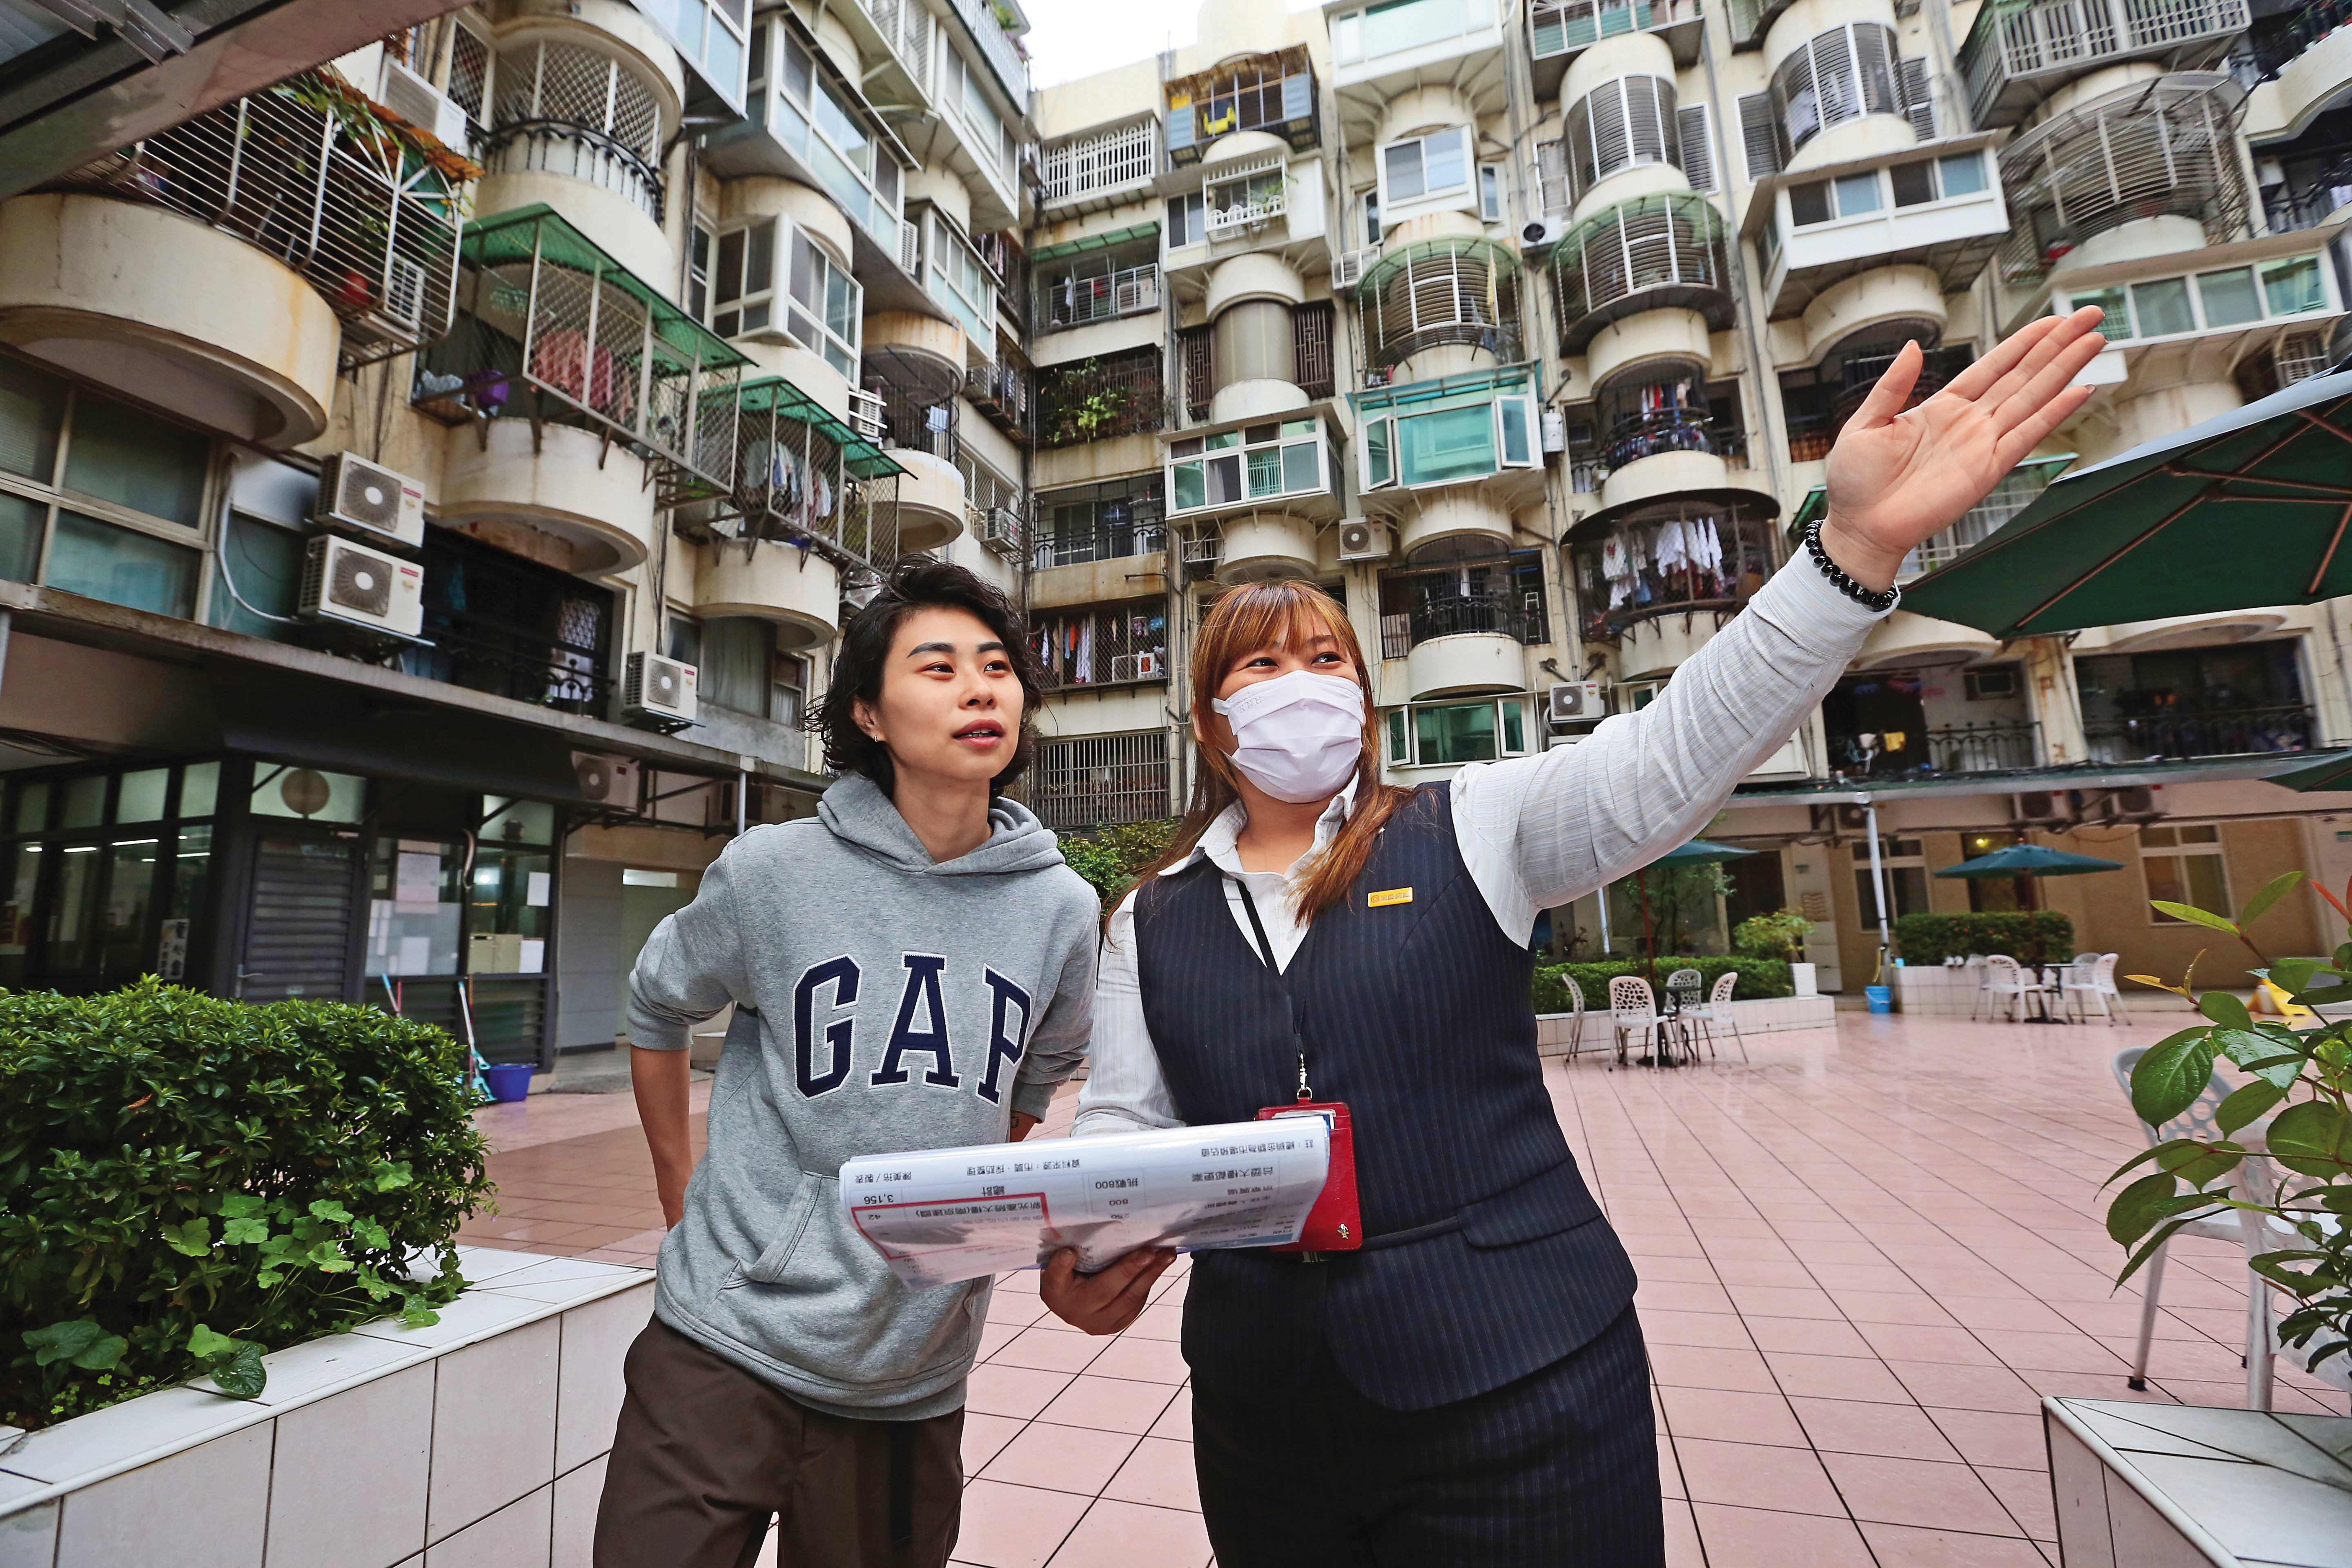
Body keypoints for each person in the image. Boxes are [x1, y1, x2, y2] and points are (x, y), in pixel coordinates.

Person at [1042, 314, 2111, 1566]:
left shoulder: (1476, 822)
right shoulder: (1154, 911)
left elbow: (1668, 755)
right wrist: (1091, 1243)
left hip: (1522, 1386)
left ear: (1364, 698)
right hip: (1269, 1411)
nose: (1304, 680)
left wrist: (1852, 549)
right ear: (1215, 723)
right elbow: (1126, 1123)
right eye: (1265, 665)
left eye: (1328, 657)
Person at [593, 556, 1118, 1568]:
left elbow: (1032, 1087)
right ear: (869, 716)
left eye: (998, 667)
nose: (979, 688)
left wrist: (950, 1227)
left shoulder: (1059, 907)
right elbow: (657, 1003)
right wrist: (678, 1189)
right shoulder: (773, 872)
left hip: (910, 1367)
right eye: (938, 666)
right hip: (723, 1337)